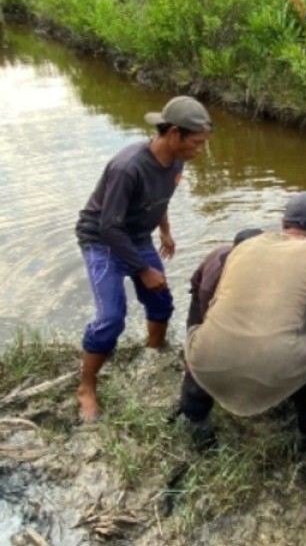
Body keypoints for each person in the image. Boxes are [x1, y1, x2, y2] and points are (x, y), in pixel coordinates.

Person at [74, 95, 212, 422]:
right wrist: (142, 268)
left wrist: (165, 231)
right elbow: (108, 226)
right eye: (196, 142)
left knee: (161, 301)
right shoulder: (129, 168)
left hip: (137, 235)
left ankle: (153, 353)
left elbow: (159, 198)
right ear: (174, 133)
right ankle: (86, 386)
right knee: (111, 318)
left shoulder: (176, 162)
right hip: (102, 239)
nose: (200, 150)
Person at [184, 191, 306, 449]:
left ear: (283, 224)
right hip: (279, 367)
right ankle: (303, 436)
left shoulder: (245, 247)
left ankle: (197, 423)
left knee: (201, 338)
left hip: (208, 360)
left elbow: (216, 303)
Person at [174, 227, 263, 450]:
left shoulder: (261, 268)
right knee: (201, 365)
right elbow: (210, 324)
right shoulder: (216, 278)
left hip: (234, 304)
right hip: (205, 309)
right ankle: (196, 424)